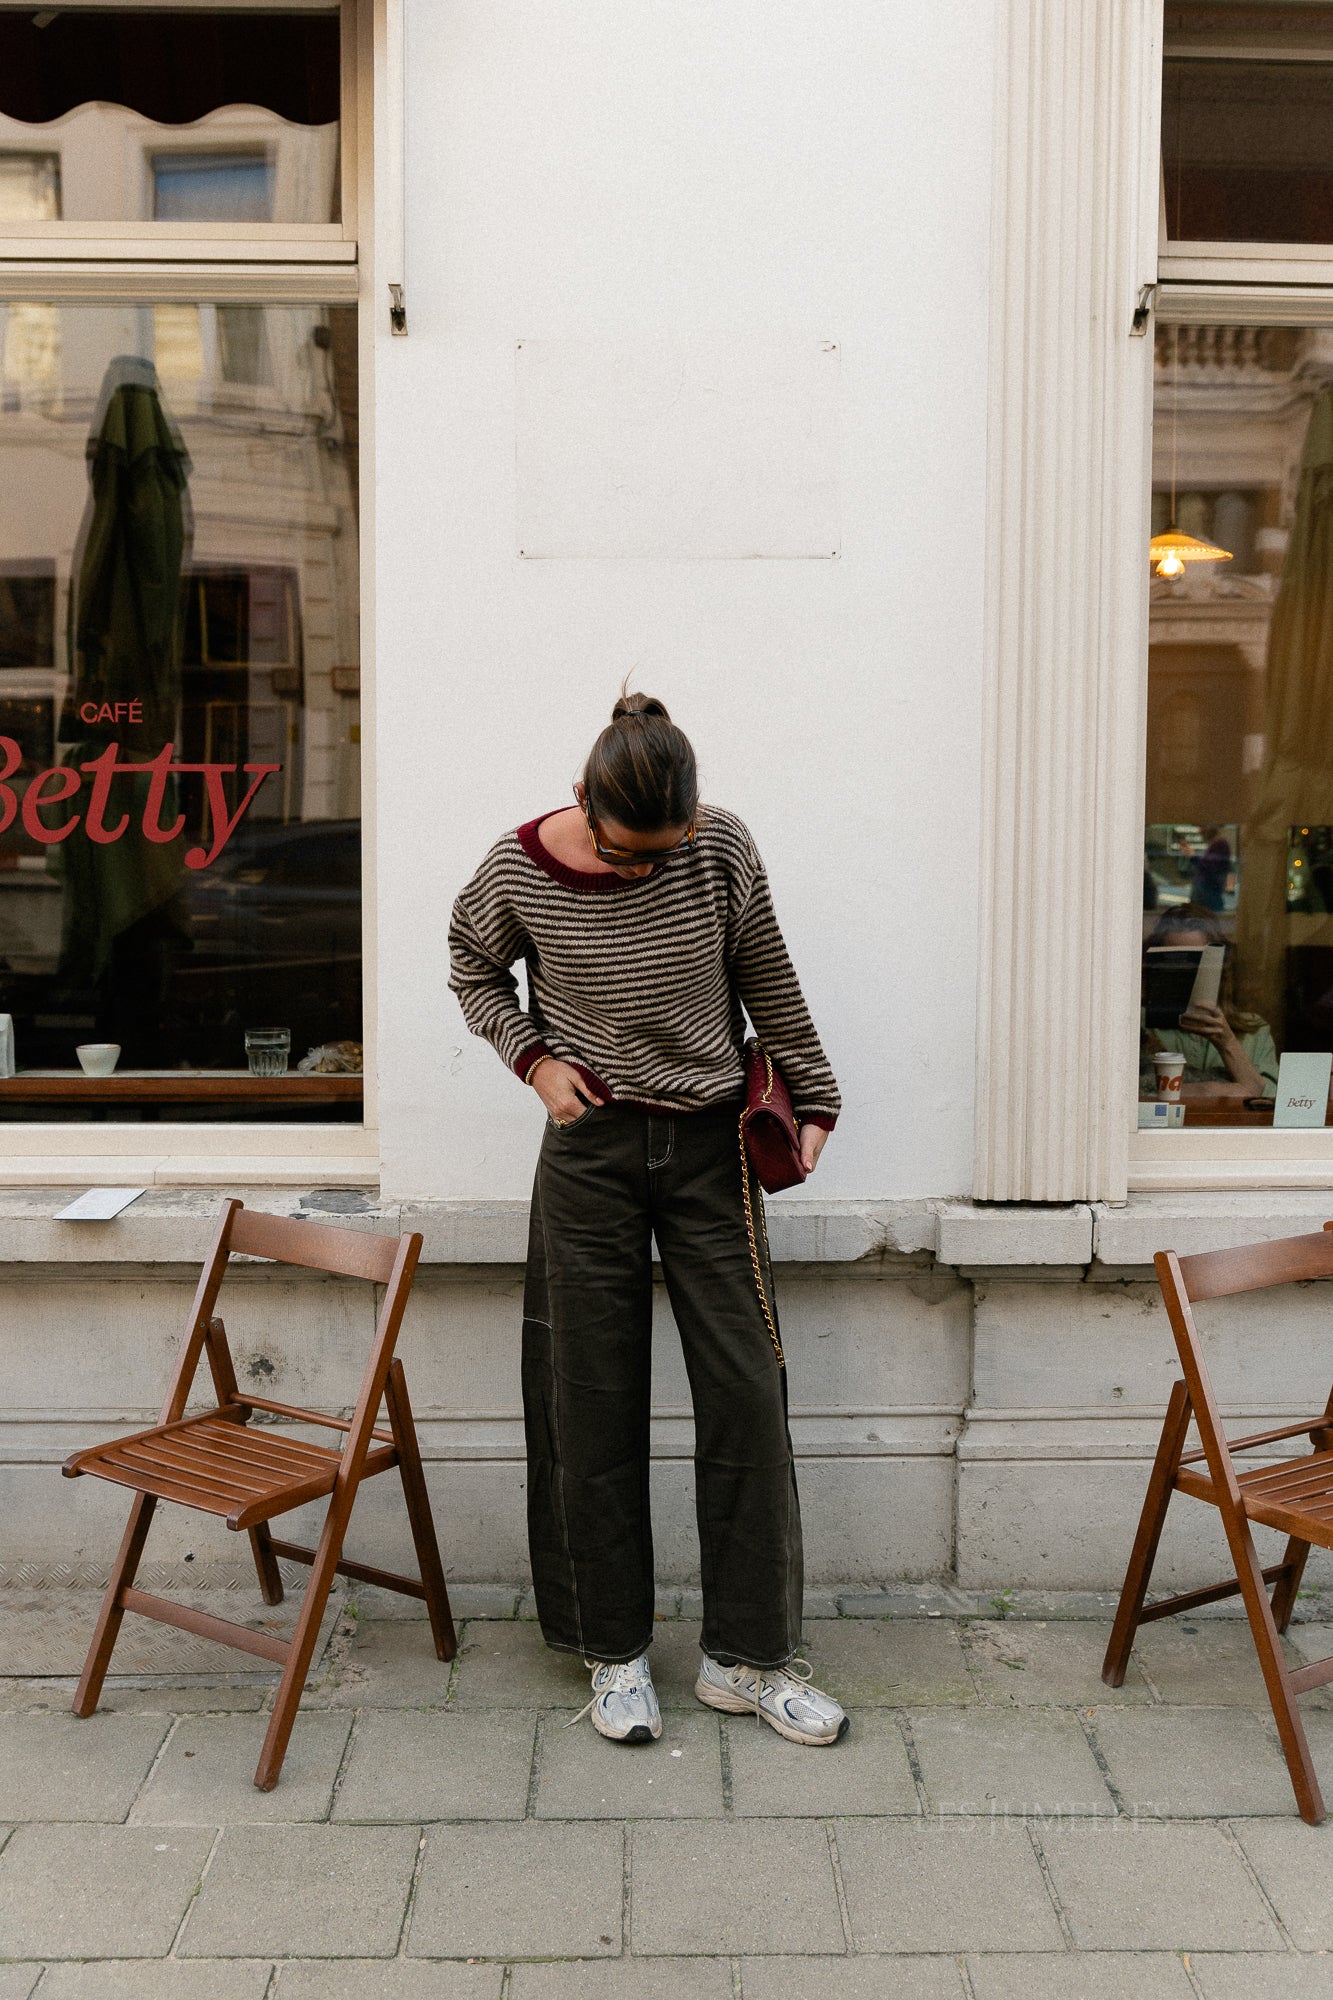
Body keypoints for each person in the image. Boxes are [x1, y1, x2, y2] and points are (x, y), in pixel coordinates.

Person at [448, 691, 848, 1748]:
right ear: (582, 800)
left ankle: (747, 1659)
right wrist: (534, 1061)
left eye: (662, 852)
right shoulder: (514, 867)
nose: (646, 872)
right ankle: (612, 1652)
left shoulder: (716, 847)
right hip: (591, 1153)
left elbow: (766, 971)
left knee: (747, 1390)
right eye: (628, 856)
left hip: (714, 1146)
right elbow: (471, 967)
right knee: (589, 1399)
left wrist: (814, 1097)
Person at [1142, 905, 1278, 1099]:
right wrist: (1209, 1091)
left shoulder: (1254, 1031)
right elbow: (1127, 1096)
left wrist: (1227, 1043)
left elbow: (1271, 1100)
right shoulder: (1138, 1027)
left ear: (1221, 968)